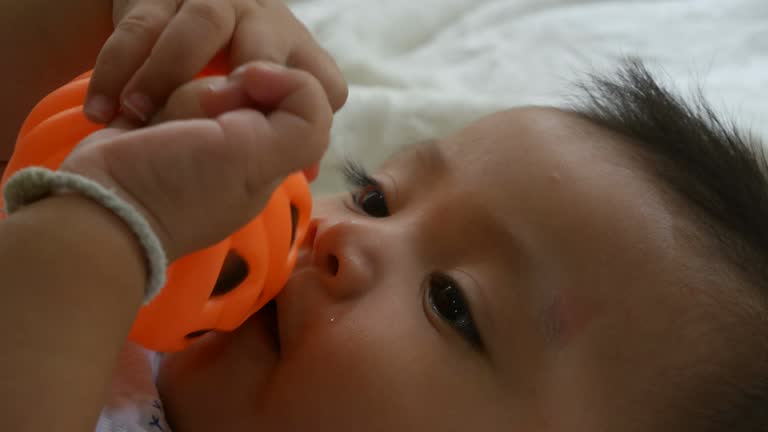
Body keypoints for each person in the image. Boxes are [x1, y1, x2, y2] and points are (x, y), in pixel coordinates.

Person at [1, 2, 767, 432]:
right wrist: (146, 41)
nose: (343, 235)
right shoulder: (156, 323)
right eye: (375, 194)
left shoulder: (94, 277)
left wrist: (92, 239)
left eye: (453, 305)